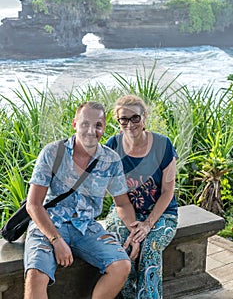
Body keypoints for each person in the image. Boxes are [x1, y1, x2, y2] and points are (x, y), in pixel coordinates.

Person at [24, 101, 139, 299]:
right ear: (75, 124)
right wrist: (56, 240)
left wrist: (134, 232)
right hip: (50, 223)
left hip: (86, 226)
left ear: (104, 128)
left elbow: (122, 203)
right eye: (85, 124)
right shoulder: (53, 152)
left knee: (122, 265)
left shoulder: (110, 160)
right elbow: (33, 205)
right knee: (36, 275)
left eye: (98, 125)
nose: (91, 130)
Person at [105, 95, 178, 299]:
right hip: (124, 212)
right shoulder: (112, 146)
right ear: (118, 122)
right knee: (123, 247)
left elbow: (167, 192)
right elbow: (117, 198)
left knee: (150, 248)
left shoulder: (163, 145)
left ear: (144, 118)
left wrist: (147, 225)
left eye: (135, 118)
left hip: (161, 214)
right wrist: (134, 231)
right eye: (124, 119)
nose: (130, 124)